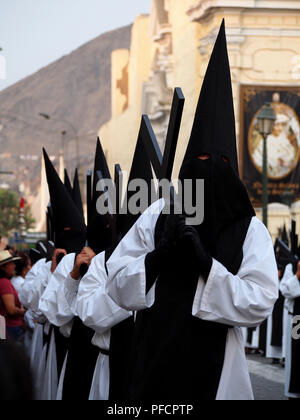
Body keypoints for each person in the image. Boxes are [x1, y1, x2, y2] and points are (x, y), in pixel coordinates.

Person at [106, 20, 278, 401]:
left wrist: (207, 267)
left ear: (230, 168)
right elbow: (116, 283)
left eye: (217, 161)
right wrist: (156, 258)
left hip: (216, 371)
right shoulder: (156, 216)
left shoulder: (250, 230)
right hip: (152, 359)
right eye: (200, 158)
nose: (208, 167)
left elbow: (260, 301)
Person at [280, 261, 300, 399]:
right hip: (297, 320)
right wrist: (298, 275)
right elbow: (285, 290)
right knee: (296, 356)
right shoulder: (291, 266)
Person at [0, 250, 25, 343]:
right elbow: (11, 309)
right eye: (11, 263)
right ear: (3, 267)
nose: (14, 266)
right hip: (10, 328)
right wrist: (24, 312)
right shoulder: (4, 283)